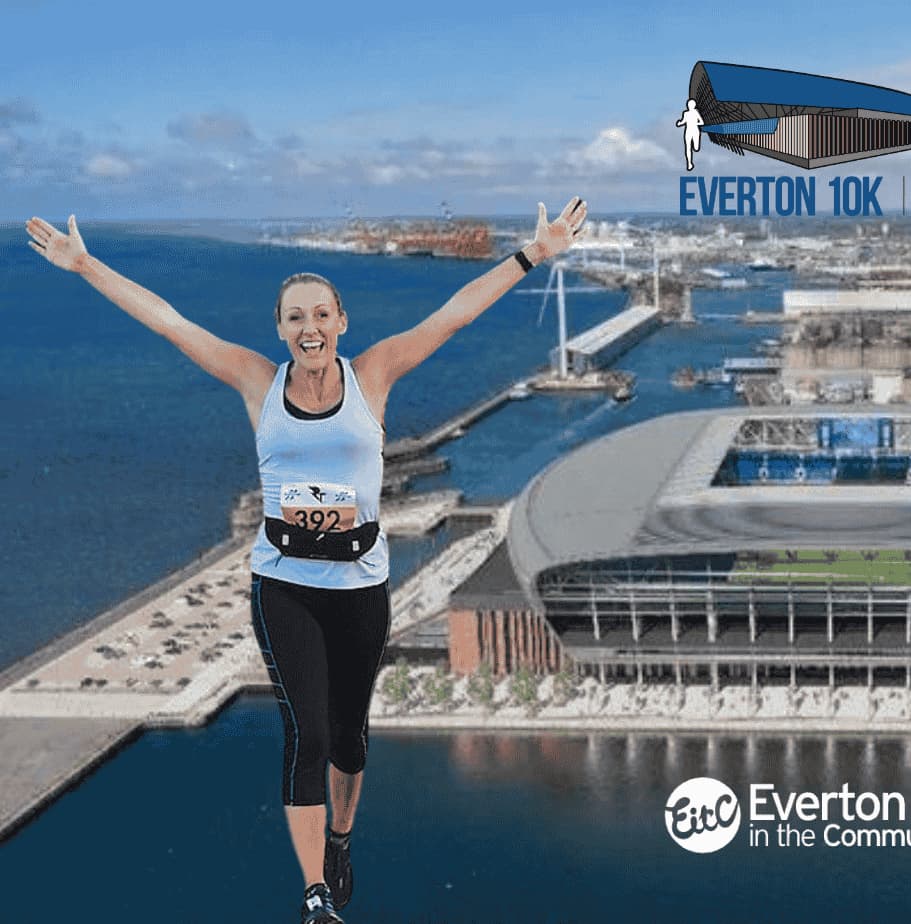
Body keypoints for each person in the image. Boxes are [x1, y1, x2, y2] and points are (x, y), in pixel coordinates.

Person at [25, 197, 588, 924]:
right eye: (294, 317)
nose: (309, 327)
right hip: (284, 581)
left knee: (350, 739)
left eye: (321, 314)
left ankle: (342, 840)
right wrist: (86, 265)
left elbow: (453, 316)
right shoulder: (257, 381)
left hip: (360, 582)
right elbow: (169, 320)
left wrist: (531, 255)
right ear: (280, 330)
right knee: (308, 734)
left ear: (341, 323)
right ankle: (315, 892)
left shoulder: (375, 374)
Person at [676, 98, 706, 172]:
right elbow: (683, 121)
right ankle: (689, 163)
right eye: (688, 104)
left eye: (690, 104)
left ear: (694, 105)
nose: (689, 106)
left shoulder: (696, 112)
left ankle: (695, 147)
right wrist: (679, 123)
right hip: (688, 131)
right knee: (688, 148)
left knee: (696, 148)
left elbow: (702, 122)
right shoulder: (685, 113)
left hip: (695, 131)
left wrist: (695, 123)